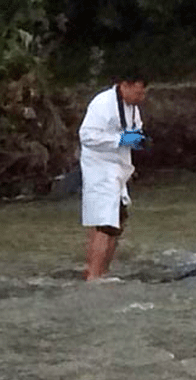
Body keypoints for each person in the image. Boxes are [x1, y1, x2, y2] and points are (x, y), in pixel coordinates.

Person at [78, 73, 148, 281]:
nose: (141, 97)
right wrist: (120, 139)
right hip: (100, 170)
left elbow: (136, 130)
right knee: (106, 223)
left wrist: (137, 140)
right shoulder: (102, 104)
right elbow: (87, 136)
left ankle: (100, 271)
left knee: (117, 220)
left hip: (118, 170)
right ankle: (94, 275)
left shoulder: (132, 108)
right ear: (124, 85)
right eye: (138, 91)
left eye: (143, 93)